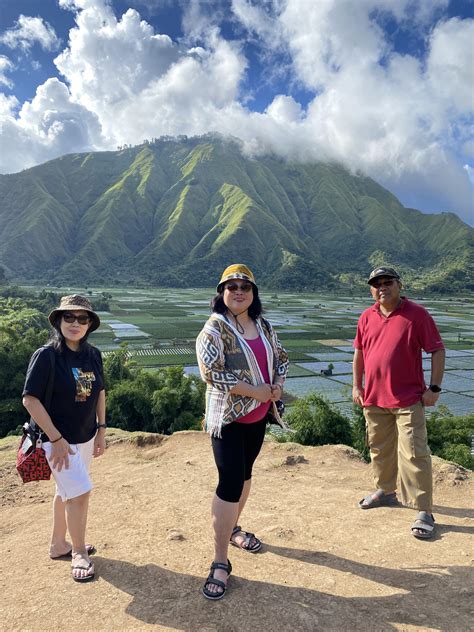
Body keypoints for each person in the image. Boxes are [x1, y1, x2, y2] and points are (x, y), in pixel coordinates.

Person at [196, 264, 289, 600]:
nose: (238, 292)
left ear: (254, 293)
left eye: (245, 287)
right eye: (231, 286)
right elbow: (211, 373)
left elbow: (281, 357)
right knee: (230, 483)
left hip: (259, 418)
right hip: (229, 420)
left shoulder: (262, 325)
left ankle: (234, 528)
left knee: (246, 475)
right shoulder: (214, 329)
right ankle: (220, 561)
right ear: (221, 292)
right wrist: (255, 391)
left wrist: (277, 385)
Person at [352, 267, 445, 539]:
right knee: (379, 448)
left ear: (399, 285)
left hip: (408, 399)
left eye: (387, 282)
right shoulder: (366, 317)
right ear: (371, 289)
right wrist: (357, 386)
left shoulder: (417, 315)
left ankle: (425, 510)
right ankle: (385, 490)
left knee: (414, 453)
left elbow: (437, 350)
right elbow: (359, 353)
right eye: (376, 284)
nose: (382, 287)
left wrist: (434, 387)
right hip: (374, 398)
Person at [22, 295, 106, 582]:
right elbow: (30, 400)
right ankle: (79, 553)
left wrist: (101, 429)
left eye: (83, 319)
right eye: (69, 317)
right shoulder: (47, 355)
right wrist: (56, 439)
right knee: (80, 493)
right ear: (58, 320)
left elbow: (100, 392)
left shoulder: (92, 355)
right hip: (56, 441)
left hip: (84, 436)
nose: (75, 323)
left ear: (89, 325)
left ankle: (59, 544)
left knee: (66, 492)